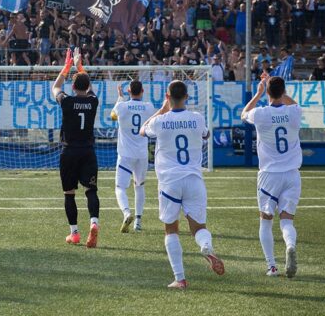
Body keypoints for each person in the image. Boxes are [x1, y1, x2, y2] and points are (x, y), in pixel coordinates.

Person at [140, 80, 224, 289]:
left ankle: (180, 278)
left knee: (171, 229)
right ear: (186, 96)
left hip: (170, 181)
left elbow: (142, 131)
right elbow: (207, 134)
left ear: (168, 97)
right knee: (198, 228)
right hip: (194, 179)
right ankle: (205, 245)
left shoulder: (160, 121)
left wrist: (161, 109)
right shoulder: (196, 118)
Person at [241, 74, 302, 278]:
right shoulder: (294, 111)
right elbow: (293, 104)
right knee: (287, 221)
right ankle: (290, 245)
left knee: (265, 221)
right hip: (292, 174)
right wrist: (279, 91)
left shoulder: (260, 113)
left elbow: (244, 114)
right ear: (284, 91)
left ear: (268, 92)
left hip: (269, 175)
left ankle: (272, 266)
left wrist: (259, 93)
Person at [52, 48, 100, 247]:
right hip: (88, 152)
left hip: (69, 151)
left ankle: (74, 233)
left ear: (72, 86)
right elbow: (89, 87)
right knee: (91, 190)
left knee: (69, 193)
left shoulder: (67, 101)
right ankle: (94, 223)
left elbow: (55, 87)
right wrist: (80, 66)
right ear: (87, 85)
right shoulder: (93, 101)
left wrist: (66, 67)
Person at [110, 80, 155, 232]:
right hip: (142, 154)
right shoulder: (149, 107)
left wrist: (119, 98)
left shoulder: (122, 106)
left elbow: (113, 117)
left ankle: (127, 212)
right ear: (142, 91)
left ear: (129, 91)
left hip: (125, 154)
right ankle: (138, 221)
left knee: (120, 187)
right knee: (139, 186)